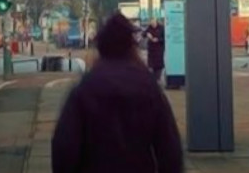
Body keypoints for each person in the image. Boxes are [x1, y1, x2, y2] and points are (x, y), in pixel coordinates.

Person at [52, 12, 182, 173]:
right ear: (131, 46)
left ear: (101, 47)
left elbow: (64, 147)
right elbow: (169, 147)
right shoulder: (148, 86)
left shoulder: (85, 87)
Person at [144, 19, 165, 84]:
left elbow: (164, 38)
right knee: (151, 64)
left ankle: (157, 78)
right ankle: (154, 78)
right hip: (151, 49)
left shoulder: (161, 28)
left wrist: (158, 40)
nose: (152, 24)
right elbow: (143, 34)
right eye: (151, 23)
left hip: (159, 49)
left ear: (156, 22)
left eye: (153, 23)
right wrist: (147, 34)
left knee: (159, 64)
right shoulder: (149, 28)